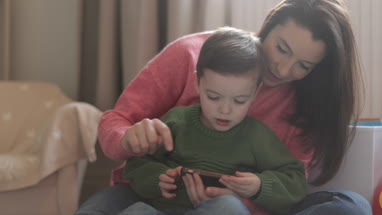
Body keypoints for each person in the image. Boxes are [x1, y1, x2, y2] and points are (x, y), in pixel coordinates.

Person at [75, 0, 372, 214]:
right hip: (149, 196)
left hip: (236, 207)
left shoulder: (303, 105)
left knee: (350, 206)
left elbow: (290, 185)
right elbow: (117, 123)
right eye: (282, 48)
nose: (283, 69)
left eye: (304, 66)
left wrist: (247, 193)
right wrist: (129, 138)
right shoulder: (193, 56)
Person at [120, 27, 307, 215]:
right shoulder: (177, 121)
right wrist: (158, 179)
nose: (225, 110)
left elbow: (296, 181)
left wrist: (259, 186)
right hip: (161, 209)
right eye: (214, 97)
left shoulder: (257, 136)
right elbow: (136, 164)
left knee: (228, 207)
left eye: (239, 100)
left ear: (255, 93)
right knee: (136, 210)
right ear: (197, 83)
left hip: (217, 210)